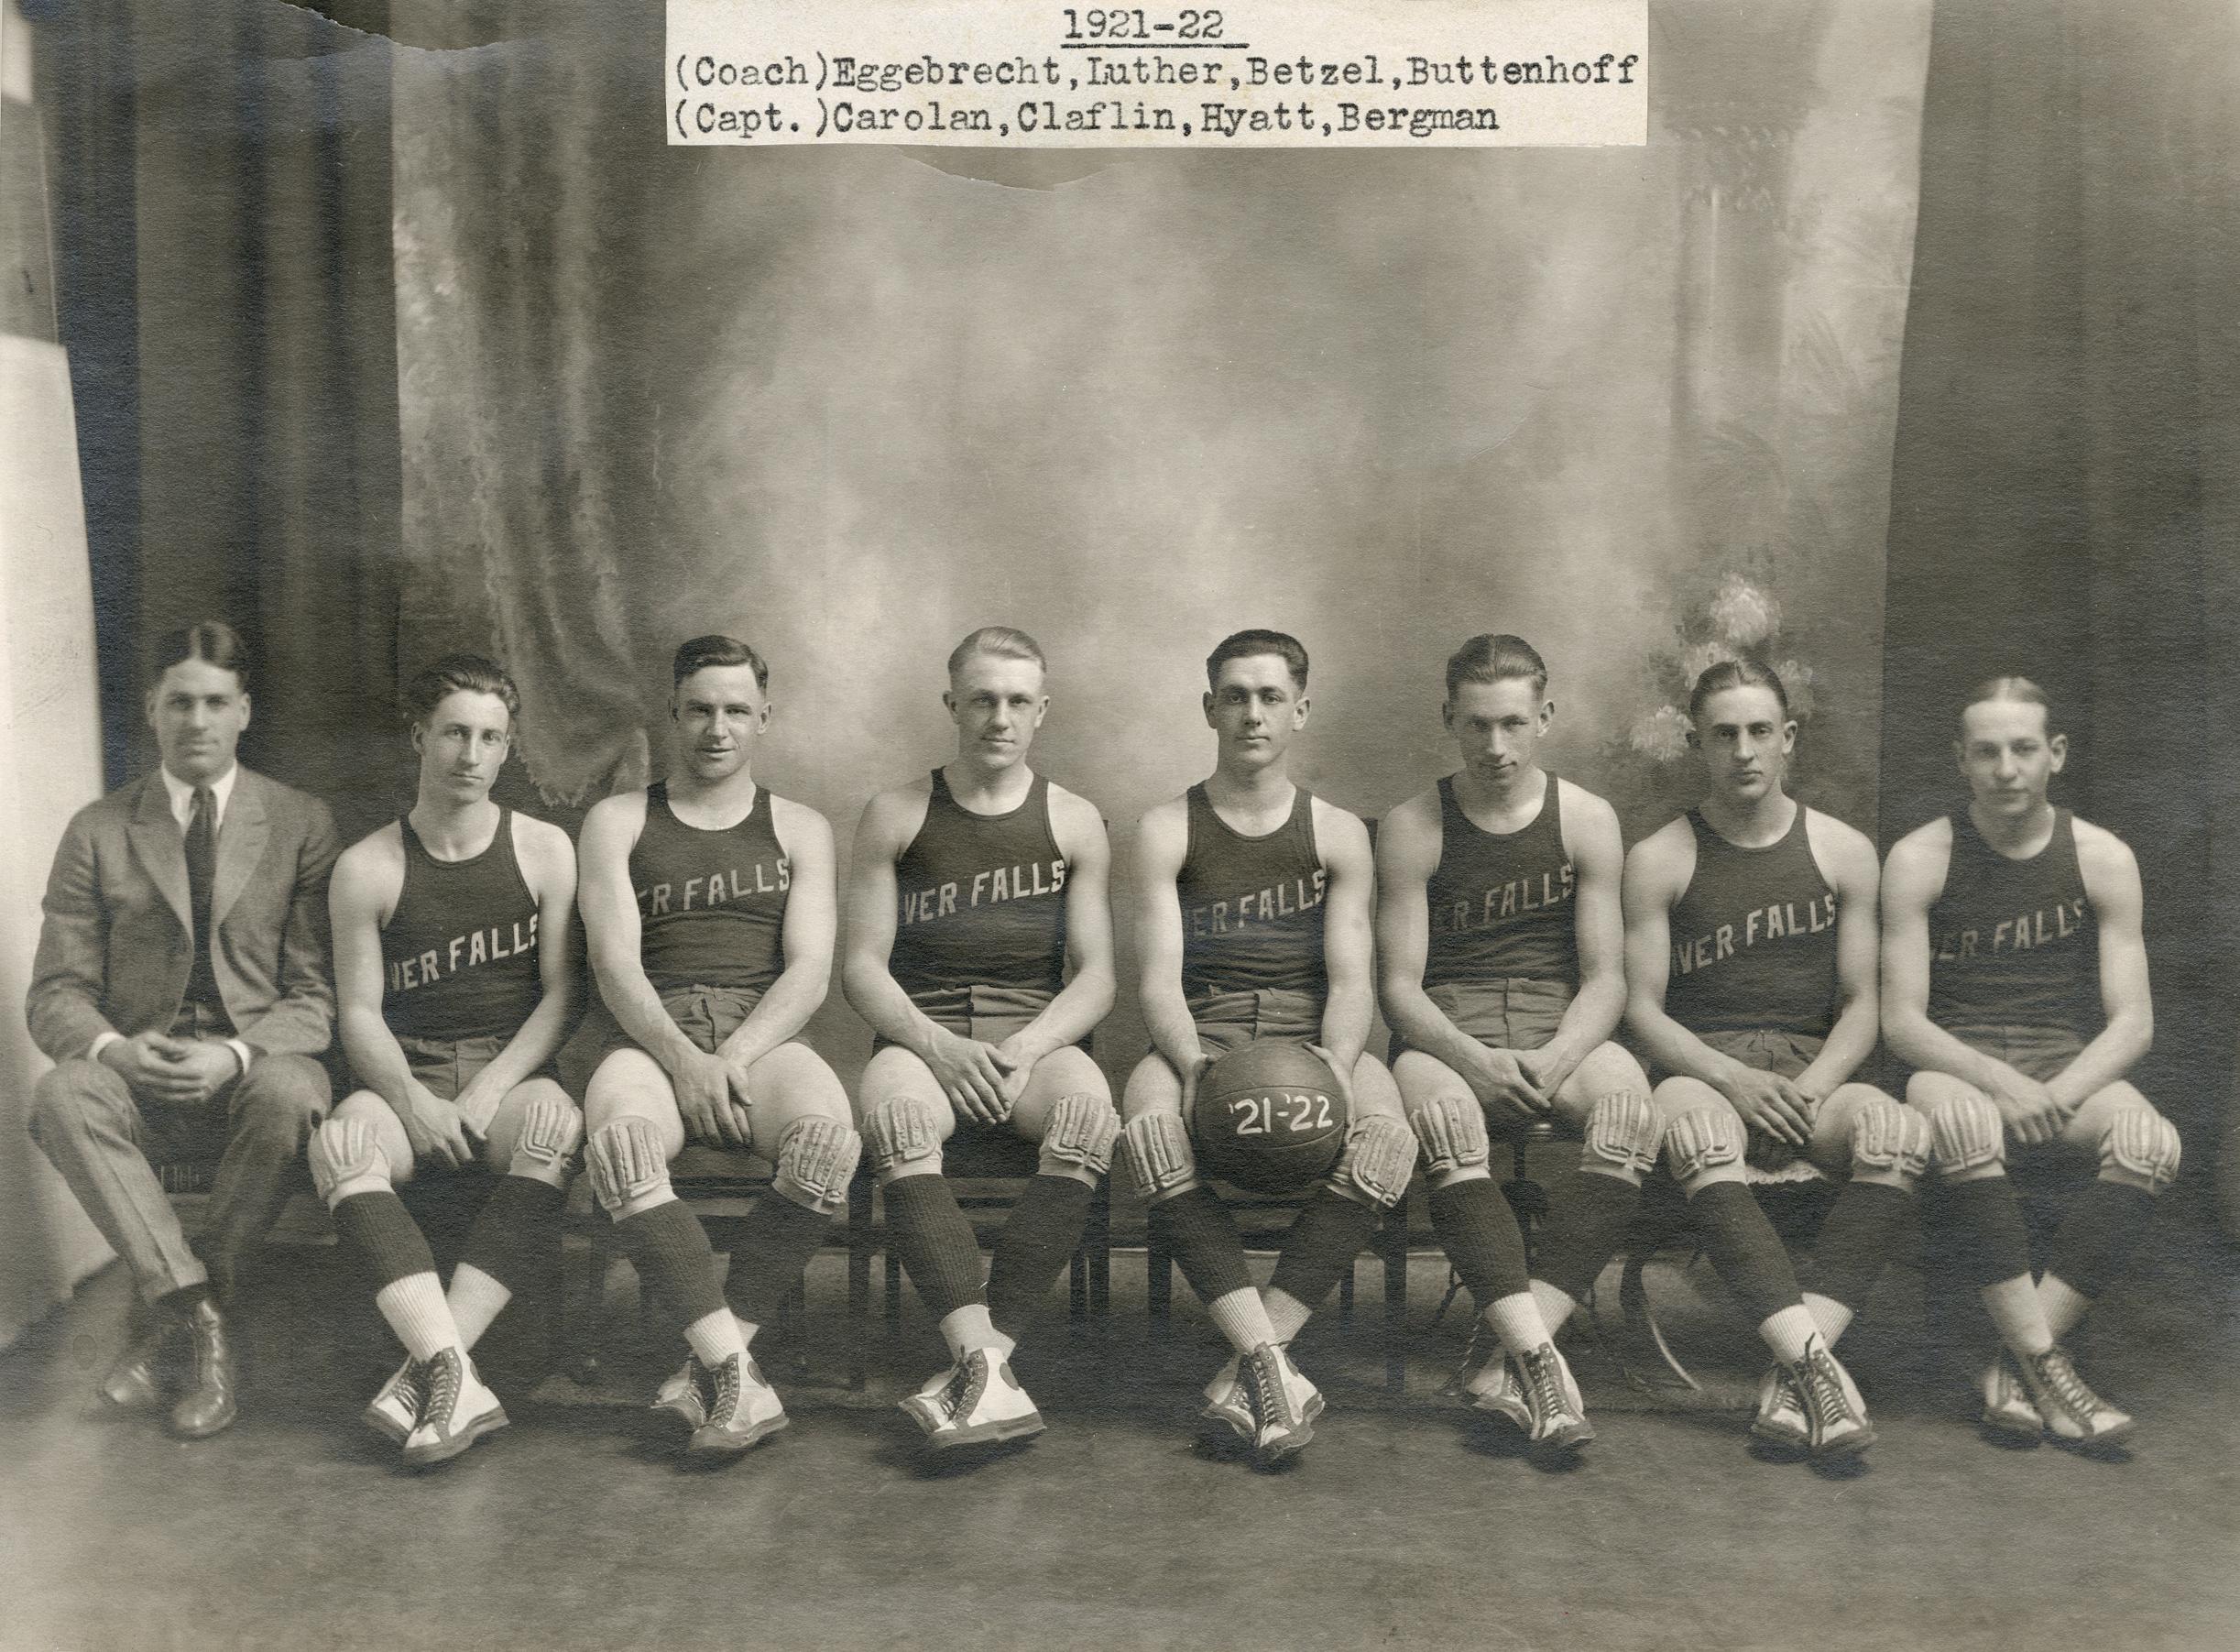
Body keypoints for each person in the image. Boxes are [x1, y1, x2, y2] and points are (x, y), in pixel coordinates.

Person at [28, 620, 338, 1439]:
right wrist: (116, 1049)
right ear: (151, 710)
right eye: (179, 703)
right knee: (61, 1095)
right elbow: (55, 993)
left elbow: (315, 994)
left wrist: (235, 1052)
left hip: (254, 1066)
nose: (196, 721)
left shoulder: (301, 821)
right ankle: (197, 1317)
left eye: (214, 702)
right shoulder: (97, 829)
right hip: (139, 1069)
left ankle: (180, 1324)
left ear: (244, 711)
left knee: (289, 1091)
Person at [1119, 629, 1417, 1470]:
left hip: (1309, 1030)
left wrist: (1337, 1058)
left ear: (1300, 710)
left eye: (1271, 697)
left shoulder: (1335, 831)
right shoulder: (1164, 827)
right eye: (1236, 696)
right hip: (1203, 1027)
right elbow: (1157, 978)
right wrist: (1189, 1065)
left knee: (1390, 1140)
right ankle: (1266, 1366)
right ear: (1209, 706)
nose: (1253, 713)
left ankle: (1258, 1356)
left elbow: (1352, 974)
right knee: (1147, 1133)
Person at [1622, 657, 1929, 1461]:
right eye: (1723, 735)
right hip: (1703, 1070)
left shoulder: (1843, 849)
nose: (1744, 750)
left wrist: (1813, 1085)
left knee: (1896, 1135)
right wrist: (1731, 1079)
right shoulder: (1659, 855)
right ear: (1697, 744)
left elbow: (1863, 1000)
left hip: (1810, 1070)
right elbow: (1641, 1006)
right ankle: (1812, 1369)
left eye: (1760, 731)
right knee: (1693, 1135)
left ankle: (1797, 1368)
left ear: (1788, 738)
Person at [572, 635, 861, 1464]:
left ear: (764, 719)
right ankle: (735, 1371)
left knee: (828, 1142)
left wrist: (730, 1056)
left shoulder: (801, 826)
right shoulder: (618, 819)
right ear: (672, 714)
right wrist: (685, 1059)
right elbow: (613, 964)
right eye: (699, 709)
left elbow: (809, 971)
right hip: (648, 1031)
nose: (717, 728)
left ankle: (709, 1365)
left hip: (762, 1034)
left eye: (737, 710)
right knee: (622, 1145)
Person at [1376, 635, 1654, 1460]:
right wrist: (1474, 1059)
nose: (1494, 747)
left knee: (1632, 1118)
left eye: (1510, 723)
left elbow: (1607, 978)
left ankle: (1512, 1353)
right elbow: (1398, 985)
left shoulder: (1589, 818)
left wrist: (1557, 1056)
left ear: (1544, 717)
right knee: (1452, 1129)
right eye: (1474, 725)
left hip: (1554, 1022)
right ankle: (1538, 1360)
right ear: (1448, 720)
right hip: (1446, 1025)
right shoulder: (1411, 824)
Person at [843, 626, 1119, 1452]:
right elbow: (860, 966)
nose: (999, 716)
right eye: (982, 699)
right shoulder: (895, 812)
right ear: (951, 704)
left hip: (1029, 1034)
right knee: (894, 1120)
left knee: (1088, 1117)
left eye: (1016, 701)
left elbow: (1097, 975)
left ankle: (982, 1367)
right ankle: (984, 1364)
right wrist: (935, 1045)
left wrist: (1027, 1048)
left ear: (1041, 710)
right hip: (924, 1030)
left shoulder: (1073, 819)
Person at [1881, 676, 2174, 1450]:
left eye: (2021, 749)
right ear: (1961, 760)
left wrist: (2056, 1091)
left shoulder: (2103, 857)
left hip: (2062, 1064)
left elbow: (2133, 1021)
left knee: (2150, 1142)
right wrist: (2002, 1083)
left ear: (2055, 754)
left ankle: (2013, 1362)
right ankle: (2050, 1365)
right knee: (1966, 1121)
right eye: (1986, 751)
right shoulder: (1919, 856)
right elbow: (1902, 1021)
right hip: (1955, 1062)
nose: (2005, 767)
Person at [308, 656, 580, 1466]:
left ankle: (430, 1369)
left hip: (511, 1067)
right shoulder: (368, 864)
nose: (470, 753)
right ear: (419, 735)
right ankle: (455, 1371)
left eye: (490, 737)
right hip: (408, 1071)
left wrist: (493, 1084)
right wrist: (415, 1100)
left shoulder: (544, 847)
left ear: (507, 750)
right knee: (342, 1146)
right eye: (455, 731)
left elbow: (564, 995)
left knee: (555, 1130)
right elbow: (358, 1010)